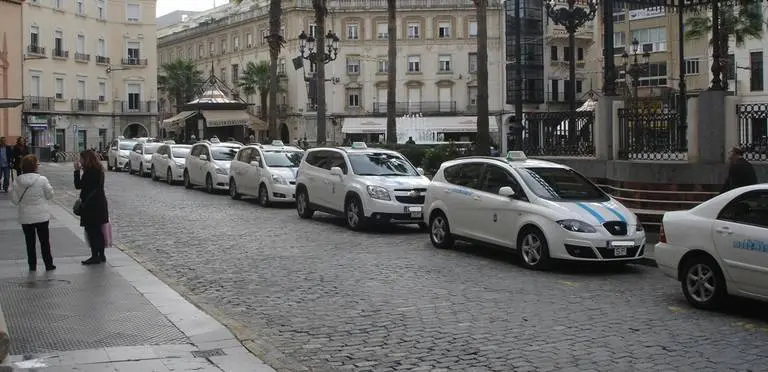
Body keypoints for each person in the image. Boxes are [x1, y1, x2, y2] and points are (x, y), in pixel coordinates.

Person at [10, 155, 56, 271]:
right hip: (41, 216)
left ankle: (32, 265)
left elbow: (15, 200)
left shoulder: (17, 181)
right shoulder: (42, 180)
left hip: (26, 217)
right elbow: (50, 195)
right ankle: (48, 264)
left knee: (29, 242)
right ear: (35, 166)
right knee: (45, 241)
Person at [74, 150, 110, 265]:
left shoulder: (89, 172)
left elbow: (78, 185)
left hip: (90, 205)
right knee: (99, 230)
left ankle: (95, 256)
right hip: (100, 202)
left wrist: (76, 171)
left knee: (91, 230)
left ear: (86, 159)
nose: (80, 161)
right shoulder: (99, 169)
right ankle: (101, 254)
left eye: (81, 158)